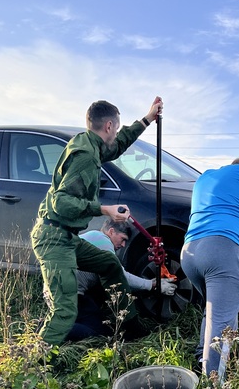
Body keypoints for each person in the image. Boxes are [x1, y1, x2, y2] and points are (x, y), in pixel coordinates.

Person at [31, 96, 163, 345]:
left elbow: (119, 145)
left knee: (109, 265)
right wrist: (104, 209)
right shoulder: (86, 156)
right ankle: (31, 364)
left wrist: (147, 119)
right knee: (65, 312)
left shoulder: (89, 143)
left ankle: (130, 326)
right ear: (110, 126)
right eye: (117, 128)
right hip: (54, 239)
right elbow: (61, 202)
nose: (116, 134)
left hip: (67, 237)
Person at [180, 157, 239, 379]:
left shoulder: (205, 177)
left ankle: (202, 358)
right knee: (221, 322)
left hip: (189, 253)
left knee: (214, 311)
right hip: (219, 250)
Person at [69, 218, 177, 341]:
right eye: (123, 239)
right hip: (71, 296)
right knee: (98, 335)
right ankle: (55, 332)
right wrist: (152, 284)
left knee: (100, 325)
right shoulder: (100, 239)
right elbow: (120, 275)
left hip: (74, 293)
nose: (123, 245)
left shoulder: (93, 238)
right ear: (111, 231)